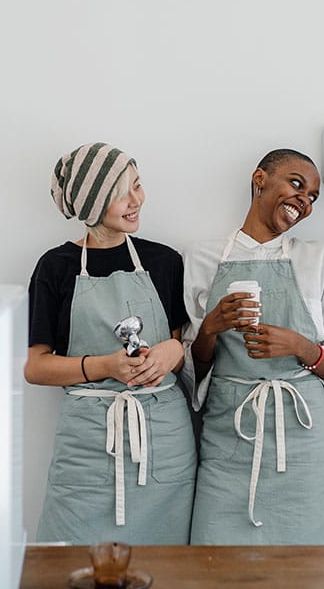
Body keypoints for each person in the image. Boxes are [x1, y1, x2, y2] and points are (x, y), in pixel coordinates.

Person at [183, 148, 324, 545]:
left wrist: (302, 347)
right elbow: (194, 368)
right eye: (297, 184)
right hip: (231, 434)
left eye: (313, 196)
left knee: (313, 567)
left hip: (304, 438)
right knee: (217, 562)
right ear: (260, 179)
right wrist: (211, 327)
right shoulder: (202, 257)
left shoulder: (323, 258)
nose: (304, 200)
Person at [25, 142, 196, 545]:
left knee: (165, 565)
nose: (137, 200)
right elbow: (36, 366)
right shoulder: (56, 267)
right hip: (87, 445)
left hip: (163, 441)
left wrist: (174, 353)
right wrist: (106, 366)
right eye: (123, 193)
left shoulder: (165, 261)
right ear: (92, 203)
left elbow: (184, 340)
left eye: (138, 186)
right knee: (69, 564)